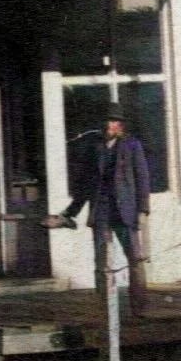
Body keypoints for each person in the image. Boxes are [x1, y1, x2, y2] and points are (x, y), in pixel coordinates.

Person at [57, 106, 152, 317]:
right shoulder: (94, 147)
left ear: (121, 126)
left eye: (114, 122)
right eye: (107, 121)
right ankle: (105, 308)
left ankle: (140, 308)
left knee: (135, 259)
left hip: (125, 211)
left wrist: (143, 210)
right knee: (102, 262)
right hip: (101, 210)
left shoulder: (132, 146)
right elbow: (84, 185)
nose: (110, 125)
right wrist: (71, 212)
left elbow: (143, 179)